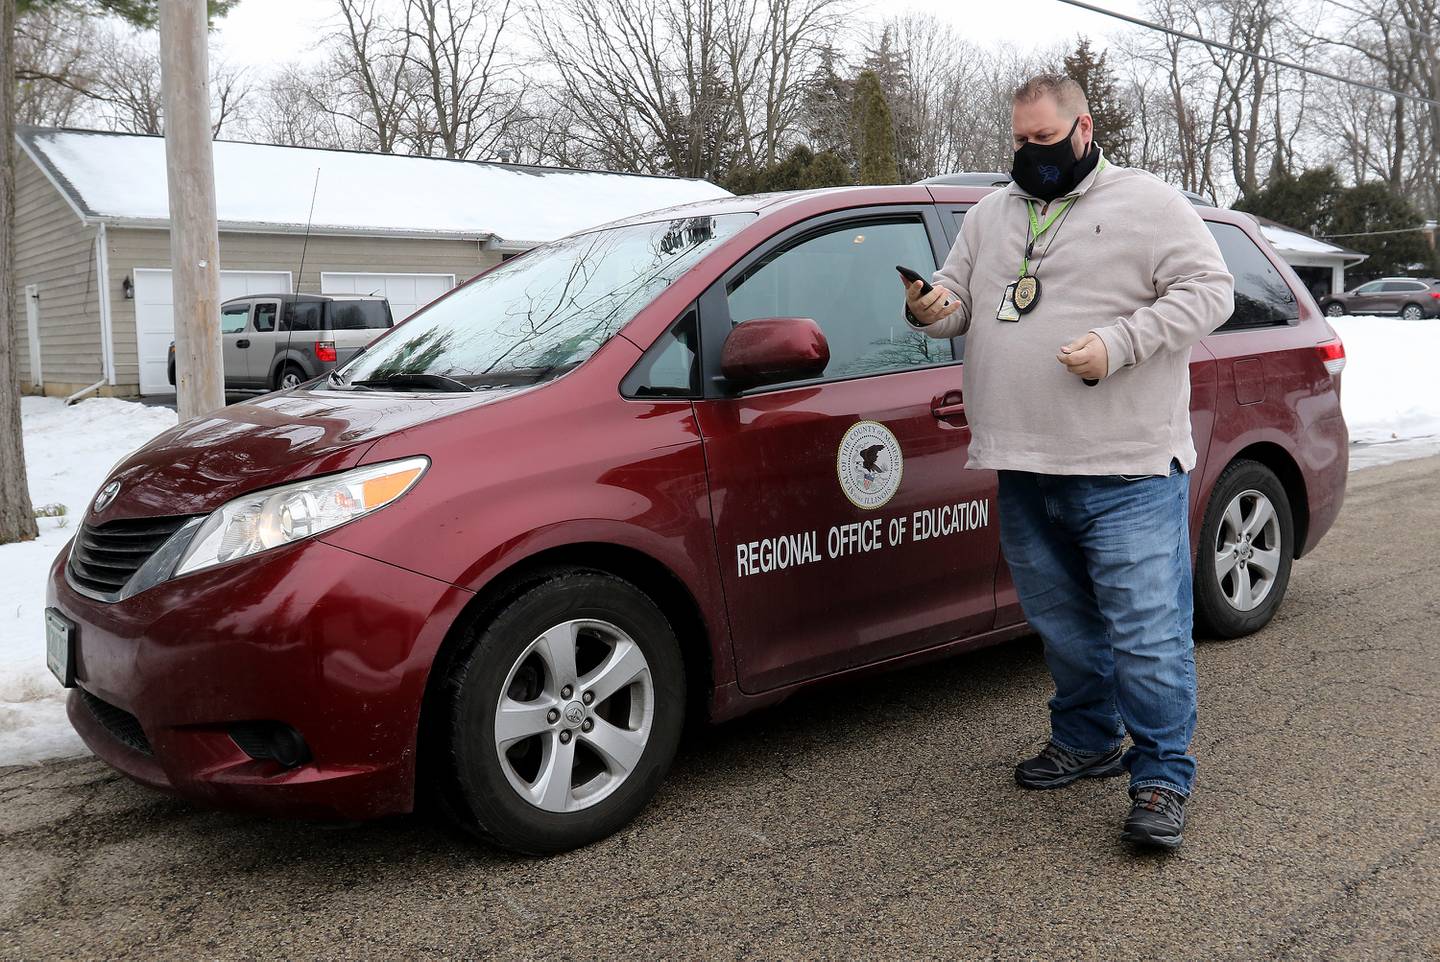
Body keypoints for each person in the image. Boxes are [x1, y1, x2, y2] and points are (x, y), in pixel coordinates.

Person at [903, 74, 1234, 849]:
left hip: (1126, 468)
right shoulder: (990, 214)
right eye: (1018, 140)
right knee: (1063, 626)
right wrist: (931, 309)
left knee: (1146, 634)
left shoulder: (1148, 204)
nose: (1028, 153)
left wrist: (1119, 345)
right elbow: (957, 301)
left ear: (1084, 128)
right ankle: (1089, 739)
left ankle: (1159, 777)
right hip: (1021, 464)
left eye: (1043, 140)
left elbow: (1211, 291)